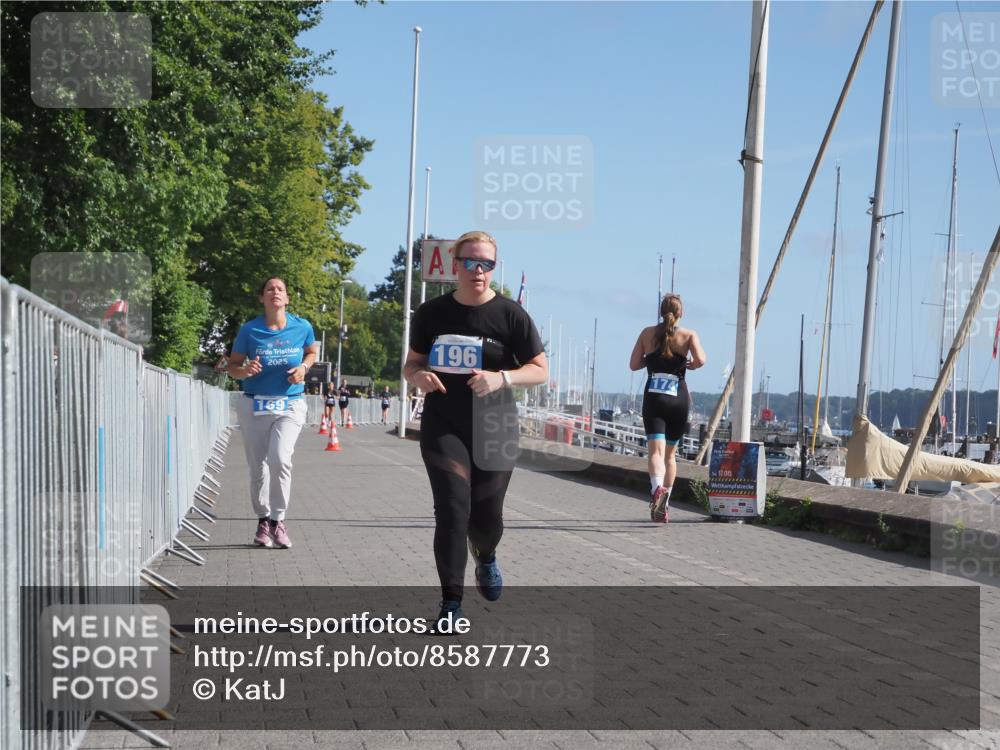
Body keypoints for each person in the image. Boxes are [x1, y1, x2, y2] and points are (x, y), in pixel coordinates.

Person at [404, 230, 548, 631]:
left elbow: (540, 369)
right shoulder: (432, 313)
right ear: (456, 265)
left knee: (487, 519)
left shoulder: (510, 315)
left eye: (487, 264)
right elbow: (411, 363)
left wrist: (502, 377)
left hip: (495, 425)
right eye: (471, 262)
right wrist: (419, 376)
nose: (479, 270)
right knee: (452, 510)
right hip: (444, 423)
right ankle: (451, 604)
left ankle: (485, 555)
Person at [227, 277, 318, 549]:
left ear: (287, 298)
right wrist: (245, 371)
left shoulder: (302, 326)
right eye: (269, 289)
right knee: (258, 467)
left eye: (280, 289)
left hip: (289, 404)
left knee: (280, 459)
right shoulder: (250, 330)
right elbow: (232, 367)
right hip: (254, 404)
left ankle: (279, 520)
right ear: (262, 298)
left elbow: (311, 352)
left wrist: (303, 368)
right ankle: (263, 520)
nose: (275, 292)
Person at [629, 293, 706, 524]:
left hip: (654, 398)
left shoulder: (646, 333)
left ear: (661, 312)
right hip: (678, 399)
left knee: (655, 452)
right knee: (670, 456)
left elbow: (634, 364)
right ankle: (665, 502)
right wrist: (690, 364)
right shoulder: (689, 335)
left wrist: (650, 359)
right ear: (681, 313)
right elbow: (701, 360)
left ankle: (657, 490)